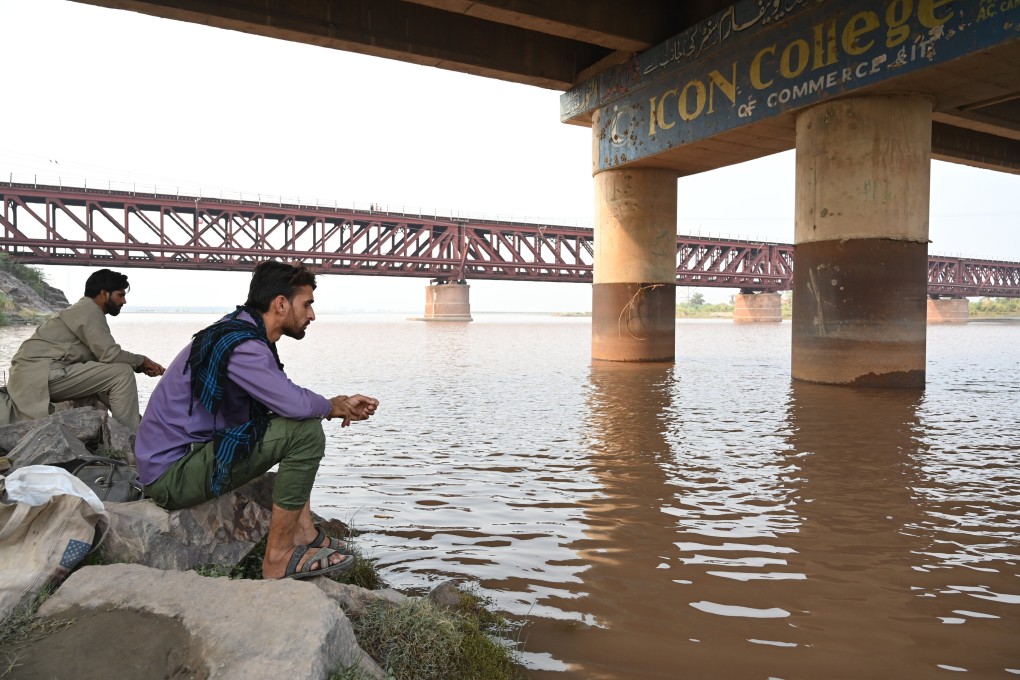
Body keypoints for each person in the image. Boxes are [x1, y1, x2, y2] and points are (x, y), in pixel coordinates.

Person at [134, 261, 378, 580]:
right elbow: (291, 403)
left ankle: (303, 533)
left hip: (180, 461)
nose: (312, 315)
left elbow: (279, 402)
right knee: (304, 433)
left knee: (299, 425)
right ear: (280, 303)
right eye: (307, 305)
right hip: (171, 476)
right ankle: (278, 558)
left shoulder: (241, 332)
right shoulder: (243, 345)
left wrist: (336, 405)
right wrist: (333, 407)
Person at [5, 268, 165, 429]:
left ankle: (140, 429)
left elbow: (105, 361)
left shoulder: (85, 310)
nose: (124, 301)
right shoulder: (89, 311)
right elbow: (111, 355)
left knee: (109, 378)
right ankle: (135, 439)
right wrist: (142, 361)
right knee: (122, 373)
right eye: (120, 295)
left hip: (36, 376)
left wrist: (140, 366)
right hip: (38, 376)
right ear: (104, 294)